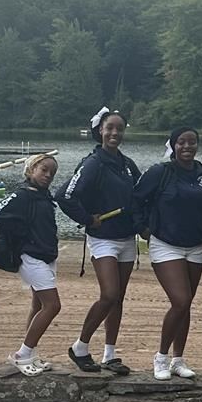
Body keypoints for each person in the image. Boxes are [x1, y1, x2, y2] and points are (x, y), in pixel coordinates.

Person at [131, 126, 202, 380]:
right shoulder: (160, 172)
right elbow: (135, 199)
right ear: (173, 145)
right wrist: (143, 227)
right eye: (182, 142)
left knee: (185, 305)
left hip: (196, 244)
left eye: (192, 142)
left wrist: (199, 204)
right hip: (165, 243)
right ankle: (161, 358)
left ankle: (178, 359)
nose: (187, 147)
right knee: (181, 300)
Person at [57, 107, 141, 376]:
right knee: (109, 294)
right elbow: (65, 195)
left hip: (128, 238)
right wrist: (87, 218)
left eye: (119, 128)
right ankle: (80, 347)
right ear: (100, 131)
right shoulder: (92, 163)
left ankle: (110, 354)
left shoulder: (128, 165)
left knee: (119, 298)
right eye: (110, 128)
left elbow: (141, 197)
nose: (114, 132)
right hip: (103, 239)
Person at [0, 153, 62, 375]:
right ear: (30, 170)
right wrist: (18, 237)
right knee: (52, 305)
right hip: (31, 256)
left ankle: (31, 353)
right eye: (43, 169)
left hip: (46, 255)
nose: (48, 175)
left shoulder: (43, 196)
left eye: (52, 172)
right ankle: (22, 353)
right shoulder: (22, 195)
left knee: (39, 305)